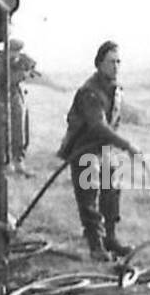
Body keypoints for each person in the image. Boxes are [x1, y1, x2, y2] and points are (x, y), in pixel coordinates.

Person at [58, 40, 140, 260]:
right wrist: (127, 145)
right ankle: (96, 246)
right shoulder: (89, 92)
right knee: (90, 194)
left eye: (118, 61)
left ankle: (110, 239)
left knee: (111, 191)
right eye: (111, 61)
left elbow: (113, 122)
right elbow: (98, 126)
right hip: (84, 150)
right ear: (99, 64)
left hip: (103, 150)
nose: (116, 66)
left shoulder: (115, 90)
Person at [2, 38, 39, 175]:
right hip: (7, 97)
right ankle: (9, 162)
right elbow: (5, 80)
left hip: (19, 96)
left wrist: (24, 61)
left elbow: (32, 64)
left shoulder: (17, 60)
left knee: (22, 130)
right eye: (15, 51)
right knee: (11, 130)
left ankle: (18, 160)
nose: (16, 54)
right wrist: (22, 74)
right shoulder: (1, 60)